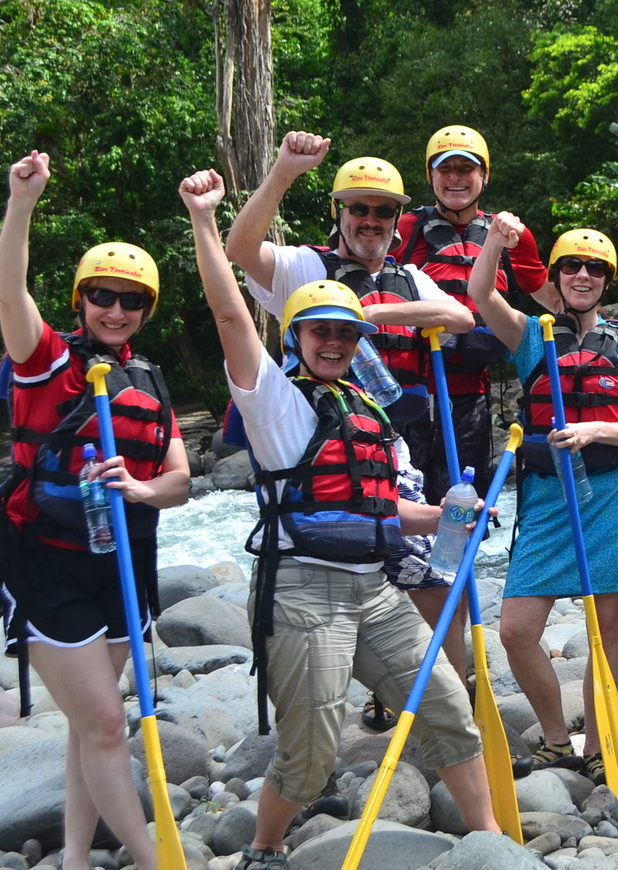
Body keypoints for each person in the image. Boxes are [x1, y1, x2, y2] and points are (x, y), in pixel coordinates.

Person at [182, 168, 499, 868]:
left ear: (360, 340)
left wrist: (448, 515)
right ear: (296, 335)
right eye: (319, 331)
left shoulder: (374, 412)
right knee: (310, 755)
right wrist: (205, 220)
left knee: (449, 708)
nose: (333, 343)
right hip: (305, 591)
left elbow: (388, 508)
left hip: (377, 590)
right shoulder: (274, 402)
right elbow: (232, 313)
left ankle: (491, 845)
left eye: (345, 333)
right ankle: (264, 847)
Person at [0, 150, 192, 870]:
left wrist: (138, 490)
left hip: (124, 562)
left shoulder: (147, 380)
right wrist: (24, 201)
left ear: (145, 310)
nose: (114, 308)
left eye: (130, 299)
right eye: (101, 294)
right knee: (107, 722)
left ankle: (76, 856)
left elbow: (179, 480)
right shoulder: (44, 359)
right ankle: (158, 858)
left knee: (91, 725)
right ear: (80, 299)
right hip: (47, 563)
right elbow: (11, 293)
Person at [468, 214, 618, 786]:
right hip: (549, 499)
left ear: (606, 281)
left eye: (594, 269)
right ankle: (557, 739)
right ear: (555, 277)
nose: (582, 275)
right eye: (572, 267)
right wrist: (495, 243)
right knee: (516, 630)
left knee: (604, 635)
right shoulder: (531, 335)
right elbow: (479, 294)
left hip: (606, 496)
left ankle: (601, 745)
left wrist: (597, 431)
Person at [226, 132, 472, 482]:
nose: (371, 220)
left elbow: (461, 318)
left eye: (384, 211)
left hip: (395, 439)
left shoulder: (412, 279)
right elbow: (240, 249)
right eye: (359, 209)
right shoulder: (306, 268)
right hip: (320, 436)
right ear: (338, 212)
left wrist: (370, 315)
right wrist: (284, 172)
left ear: (395, 218)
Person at [394, 124, 554, 497]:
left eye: (465, 169)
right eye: (444, 169)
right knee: (406, 501)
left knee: (466, 504)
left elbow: (552, 298)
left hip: (472, 394)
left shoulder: (511, 236)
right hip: (410, 392)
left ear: (484, 175)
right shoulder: (403, 229)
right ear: (430, 176)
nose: (455, 179)